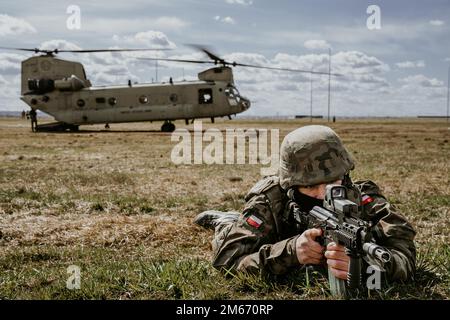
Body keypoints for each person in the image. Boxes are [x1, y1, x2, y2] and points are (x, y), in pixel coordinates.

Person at [194, 125, 416, 287]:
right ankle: (226, 221)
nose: (322, 194)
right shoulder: (269, 201)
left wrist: (367, 271)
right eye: (310, 188)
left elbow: (404, 255)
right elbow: (226, 263)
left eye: (332, 183)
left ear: (345, 174)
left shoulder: (364, 198)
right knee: (228, 233)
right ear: (291, 187)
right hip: (272, 233)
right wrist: (289, 252)